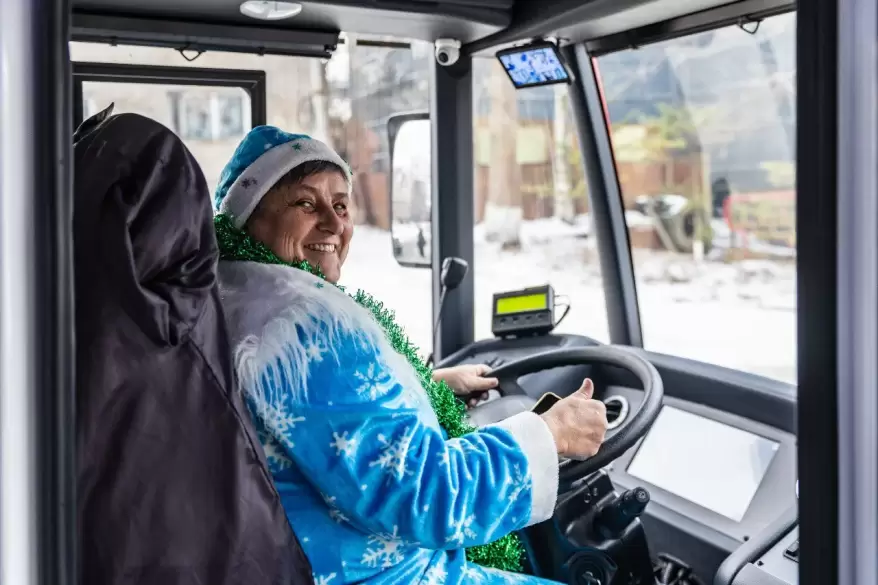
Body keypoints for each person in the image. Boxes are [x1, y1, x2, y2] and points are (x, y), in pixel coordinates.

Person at [213, 126, 609, 585]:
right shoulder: (305, 325)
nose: (334, 224)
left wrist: (431, 385)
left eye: (341, 205)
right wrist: (548, 433)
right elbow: (426, 497)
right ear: (249, 215)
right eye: (306, 203)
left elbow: (317, 421)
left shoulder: (233, 298)